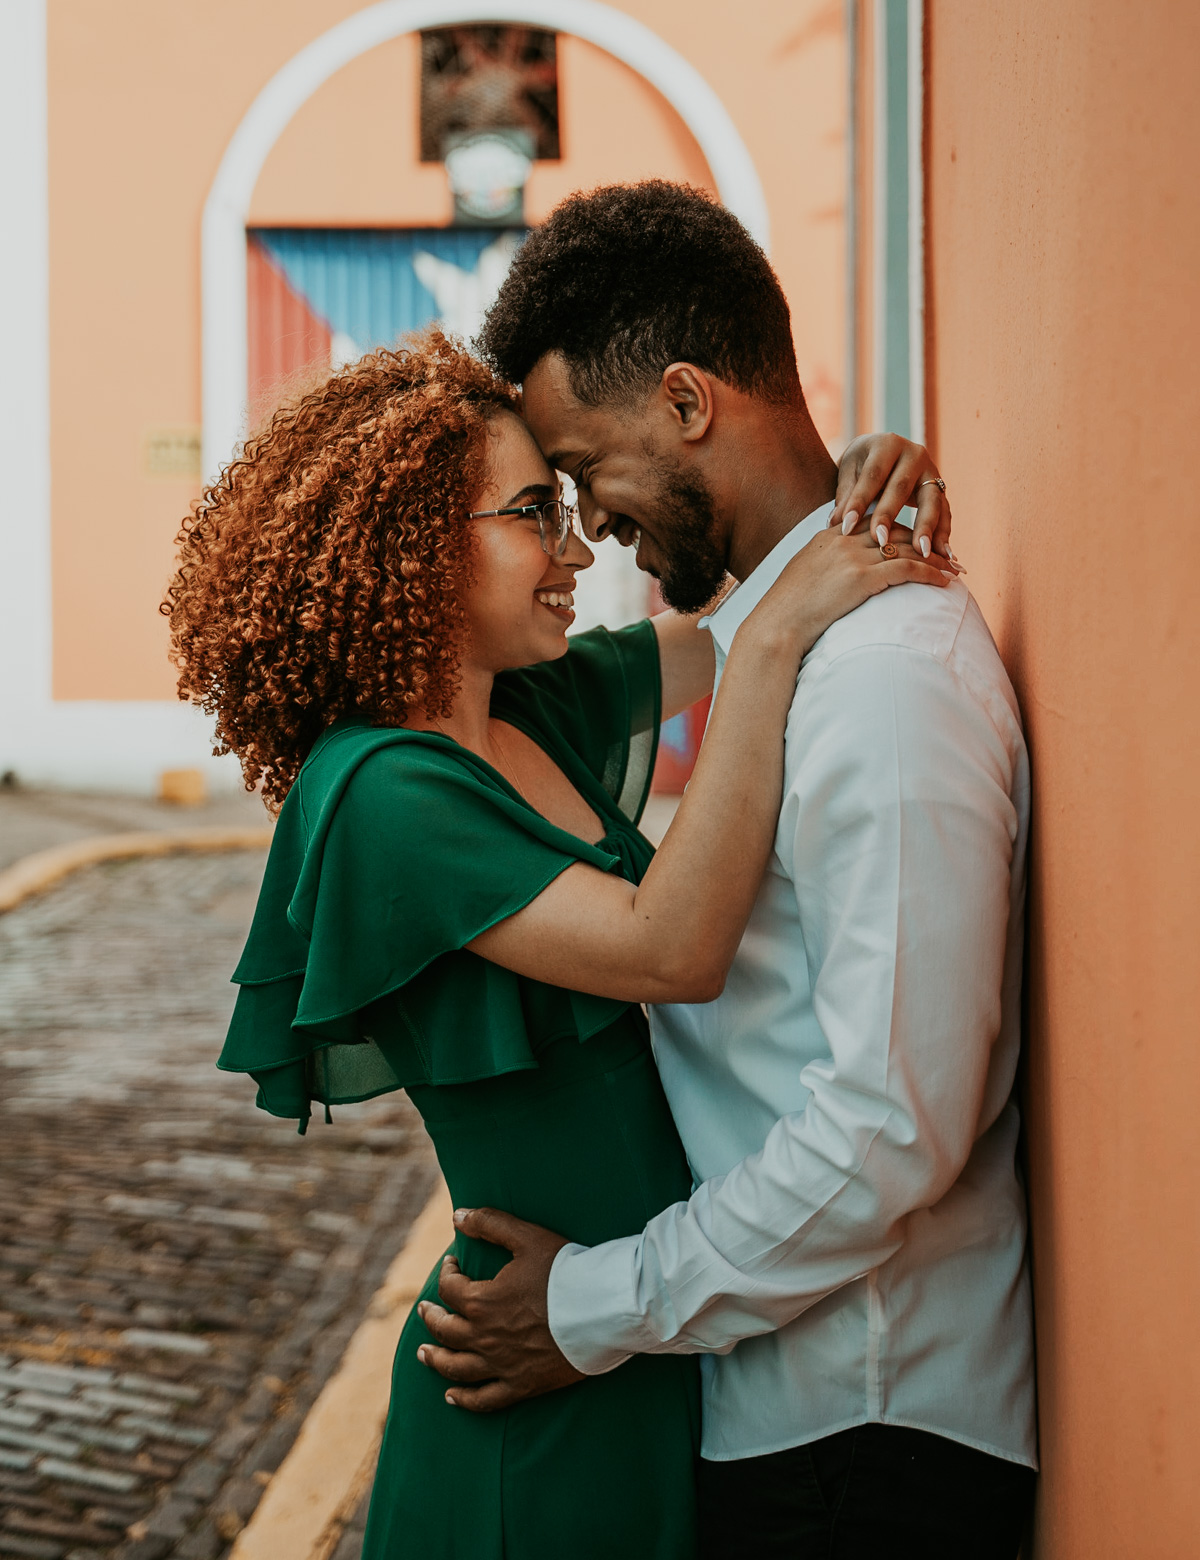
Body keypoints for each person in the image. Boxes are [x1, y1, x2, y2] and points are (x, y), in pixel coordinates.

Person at [162, 328, 949, 1560]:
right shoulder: (378, 792)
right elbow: (669, 946)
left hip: (633, 1343)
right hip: (527, 1391)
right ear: (417, 543)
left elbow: (751, 612)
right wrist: (783, 632)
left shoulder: (533, 701)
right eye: (536, 513)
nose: (579, 549)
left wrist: (848, 486)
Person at [416, 183, 1038, 1560]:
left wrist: (592, 1308)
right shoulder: (784, 639)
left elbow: (891, 1129)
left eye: (585, 469)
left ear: (689, 402)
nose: (585, 524)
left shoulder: (883, 681)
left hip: (869, 1433)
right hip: (782, 1410)